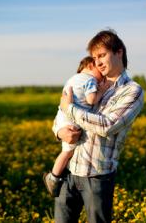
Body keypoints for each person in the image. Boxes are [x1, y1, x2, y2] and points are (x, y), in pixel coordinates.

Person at [52, 29, 144, 223]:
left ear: (119, 52)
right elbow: (60, 116)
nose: (98, 62)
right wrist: (60, 133)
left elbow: (107, 126)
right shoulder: (88, 83)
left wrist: (70, 108)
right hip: (69, 172)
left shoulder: (131, 91)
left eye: (102, 55)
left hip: (97, 176)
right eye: (94, 58)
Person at [43, 56, 109, 197]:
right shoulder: (90, 80)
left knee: (66, 152)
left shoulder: (72, 79)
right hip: (72, 120)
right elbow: (91, 99)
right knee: (67, 152)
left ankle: (55, 176)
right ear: (91, 66)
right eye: (100, 71)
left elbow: (64, 100)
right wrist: (101, 91)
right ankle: (53, 177)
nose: (101, 77)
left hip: (62, 116)